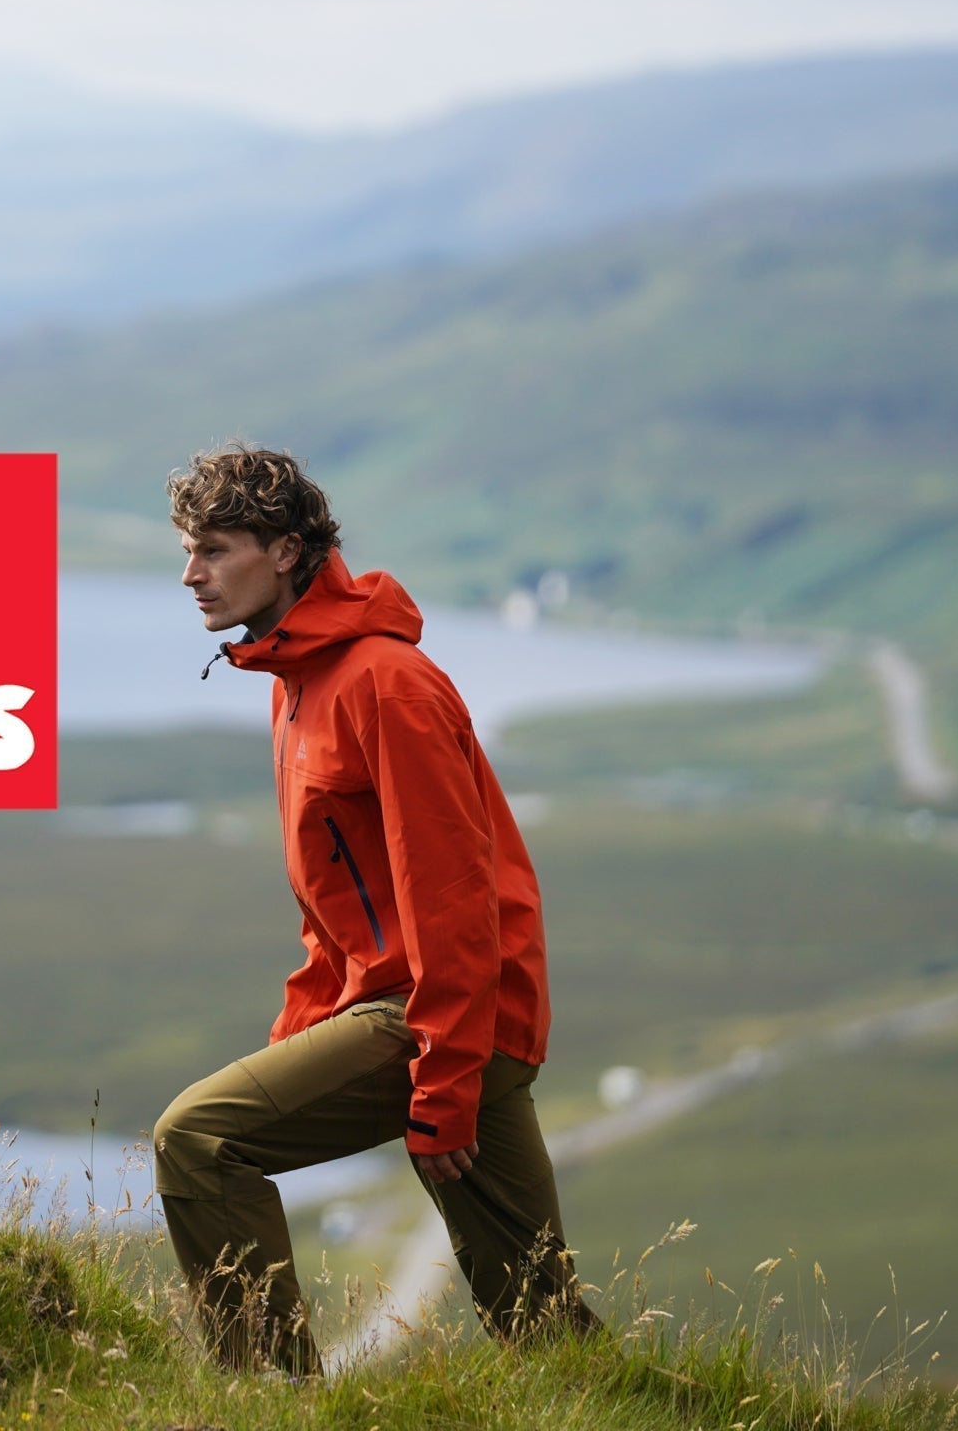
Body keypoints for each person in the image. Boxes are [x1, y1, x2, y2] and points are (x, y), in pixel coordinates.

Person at [152, 440, 597, 1374]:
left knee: (197, 1138)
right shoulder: (297, 681)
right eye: (188, 549)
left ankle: (275, 1402)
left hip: (442, 1016)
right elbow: (336, 903)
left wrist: (442, 1081)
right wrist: (304, 1034)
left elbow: (451, 899)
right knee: (547, 1332)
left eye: (217, 548)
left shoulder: (385, 685)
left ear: (284, 551)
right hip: (435, 1014)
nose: (191, 574)